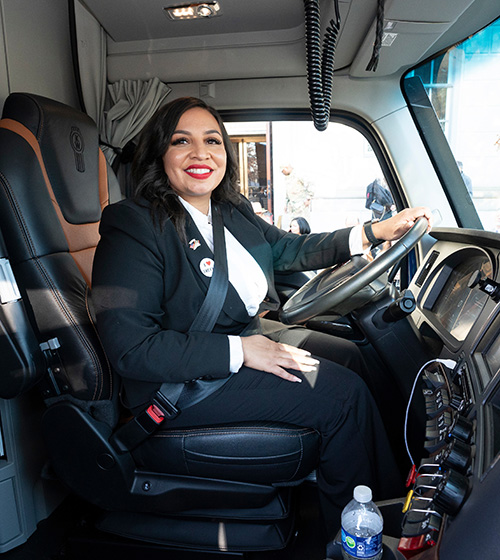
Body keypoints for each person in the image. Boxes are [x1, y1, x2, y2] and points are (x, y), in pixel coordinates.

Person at [91, 96, 432, 541]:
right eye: (181, 141)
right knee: (342, 396)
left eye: (212, 140)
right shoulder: (133, 225)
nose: (201, 154)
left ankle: (395, 495)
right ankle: (358, 538)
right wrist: (240, 350)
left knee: (353, 356)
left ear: (225, 153)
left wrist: (374, 232)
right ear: (160, 154)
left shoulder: (230, 211)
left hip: (242, 337)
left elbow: (289, 249)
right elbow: (132, 349)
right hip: (180, 384)